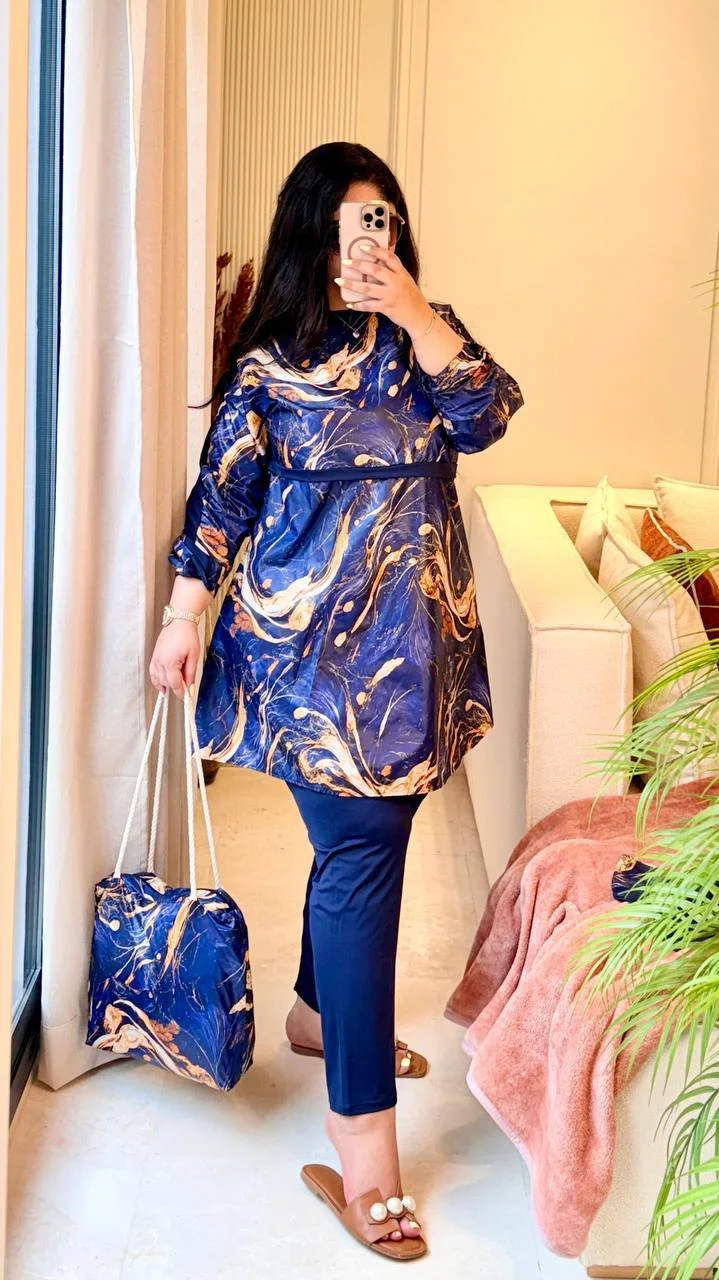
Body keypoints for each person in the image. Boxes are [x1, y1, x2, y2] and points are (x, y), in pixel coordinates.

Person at [149, 140, 523, 1262]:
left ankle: (315, 1017)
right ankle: (362, 1148)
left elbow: (489, 415)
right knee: (361, 863)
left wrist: (413, 310)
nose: (369, 238)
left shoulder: (426, 342)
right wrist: (182, 616)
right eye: (351, 220)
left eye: (384, 219)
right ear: (310, 236)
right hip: (307, 667)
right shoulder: (268, 367)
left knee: (362, 846)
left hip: (414, 664)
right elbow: (220, 502)